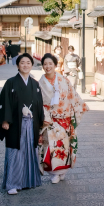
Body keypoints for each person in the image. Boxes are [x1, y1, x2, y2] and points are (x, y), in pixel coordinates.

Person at [0, 53, 45, 195]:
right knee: (15, 152)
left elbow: (39, 104)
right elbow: (4, 102)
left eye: (28, 63)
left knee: (30, 150)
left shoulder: (35, 84)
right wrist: (5, 120)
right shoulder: (11, 82)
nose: (25, 65)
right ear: (18, 65)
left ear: (32, 65)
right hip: (15, 123)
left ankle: (28, 181)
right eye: (22, 63)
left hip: (31, 124)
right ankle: (12, 183)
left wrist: (40, 120)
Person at [39, 53, 89, 183]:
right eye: (45, 64)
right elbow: (39, 101)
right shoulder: (41, 82)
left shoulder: (63, 79)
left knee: (64, 147)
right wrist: (45, 116)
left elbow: (73, 95)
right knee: (51, 147)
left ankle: (63, 171)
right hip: (50, 119)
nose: (48, 66)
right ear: (42, 66)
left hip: (65, 118)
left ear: (56, 65)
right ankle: (53, 173)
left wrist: (80, 107)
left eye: (50, 64)